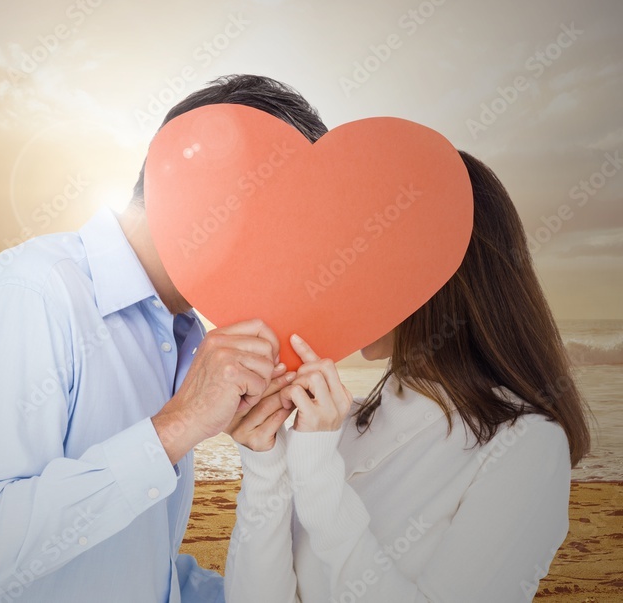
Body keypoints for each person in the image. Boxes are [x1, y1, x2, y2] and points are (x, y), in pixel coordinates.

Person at [0, 74, 327, 602]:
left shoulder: (180, 333)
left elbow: (131, 567)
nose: (294, 257)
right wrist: (176, 426)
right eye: (290, 221)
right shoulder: (27, 295)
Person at [224, 151, 591, 603]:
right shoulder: (335, 427)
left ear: (432, 274)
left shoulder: (526, 445)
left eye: (362, 252)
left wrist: (319, 475)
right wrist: (266, 464)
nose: (339, 276)